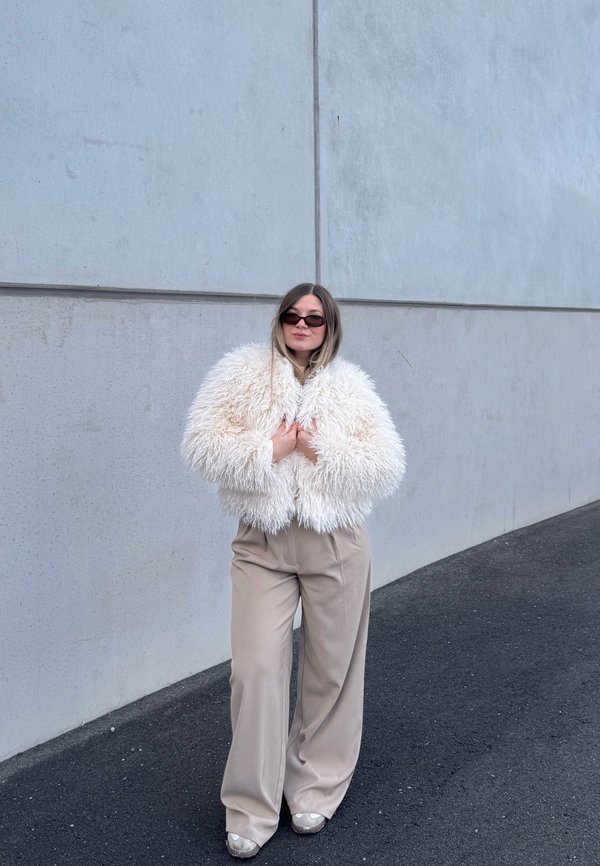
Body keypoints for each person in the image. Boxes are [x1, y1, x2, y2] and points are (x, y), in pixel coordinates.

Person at [180, 282, 407, 858]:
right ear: (279, 321)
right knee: (255, 670)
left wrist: (318, 448)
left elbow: (385, 465)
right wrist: (271, 449)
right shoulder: (242, 374)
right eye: (292, 316)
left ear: (330, 326)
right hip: (263, 544)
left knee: (330, 671)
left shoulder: (352, 388)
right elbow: (201, 443)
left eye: (315, 318)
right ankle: (251, 807)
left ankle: (315, 785)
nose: (302, 326)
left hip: (335, 543)